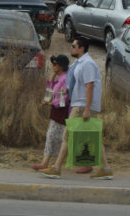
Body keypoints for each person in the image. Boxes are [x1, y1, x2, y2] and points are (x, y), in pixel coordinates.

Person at [40, 37, 113, 180]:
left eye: (74, 46)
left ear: (82, 48)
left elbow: (90, 86)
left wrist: (87, 109)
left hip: (82, 104)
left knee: (68, 135)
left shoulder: (87, 64)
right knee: (93, 137)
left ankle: (56, 168)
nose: (71, 48)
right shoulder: (79, 63)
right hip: (79, 103)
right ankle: (106, 169)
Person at [31, 54, 70, 172]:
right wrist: (53, 76)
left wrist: (52, 103)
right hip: (56, 111)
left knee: (54, 137)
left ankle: (48, 163)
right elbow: (50, 90)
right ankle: (47, 162)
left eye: (55, 64)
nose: (53, 66)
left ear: (60, 66)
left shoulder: (65, 79)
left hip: (61, 112)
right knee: (53, 137)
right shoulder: (60, 78)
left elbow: (63, 99)